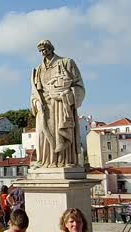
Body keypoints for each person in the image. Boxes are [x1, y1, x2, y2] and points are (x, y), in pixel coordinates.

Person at [30, 39, 85, 168]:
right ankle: (45, 162)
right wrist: (36, 102)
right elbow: (34, 93)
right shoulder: (38, 70)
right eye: (40, 51)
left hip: (61, 105)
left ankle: (65, 161)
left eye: (45, 49)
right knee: (43, 135)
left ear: (51, 49)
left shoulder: (66, 63)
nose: (43, 53)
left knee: (61, 133)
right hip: (44, 108)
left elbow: (79, 86)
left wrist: (66, 95)